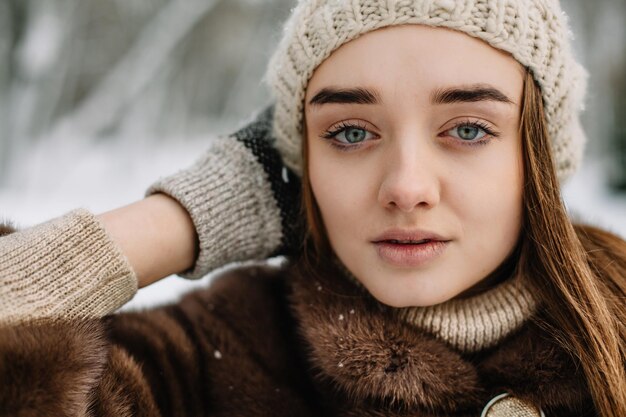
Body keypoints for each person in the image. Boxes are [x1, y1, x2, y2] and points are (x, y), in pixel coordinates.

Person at [0, 0, 625, 416]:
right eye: (350, 133)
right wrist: (185, 218)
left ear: (536, 156)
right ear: (300, 164)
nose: (406, 187)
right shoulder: (215, 358)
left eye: (467, 129)